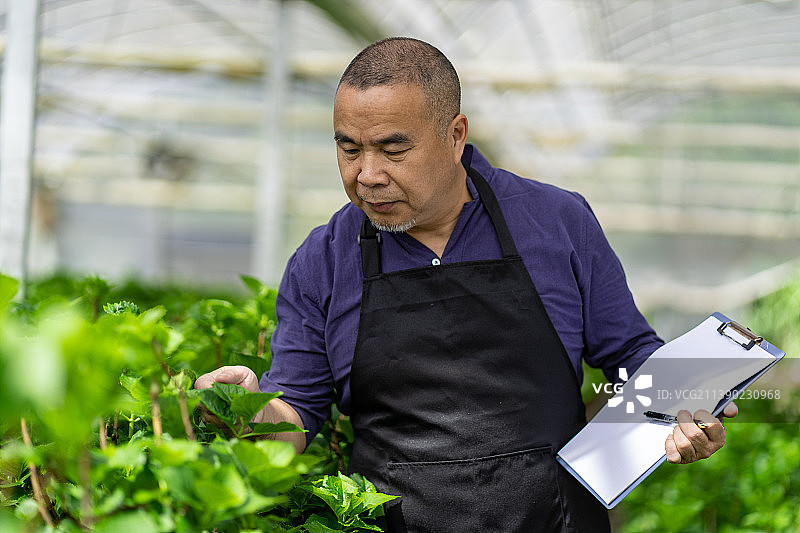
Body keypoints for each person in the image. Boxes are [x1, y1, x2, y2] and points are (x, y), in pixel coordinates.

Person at [196, 37, 737, 532]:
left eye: (393, 149)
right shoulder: (323, 259)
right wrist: (246, 409)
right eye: (349, 148)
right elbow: (296, 417)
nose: (367, 175)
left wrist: (684, 403)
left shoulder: (555, 221)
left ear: (455, 136)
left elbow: (628, 352)